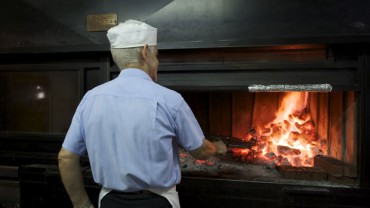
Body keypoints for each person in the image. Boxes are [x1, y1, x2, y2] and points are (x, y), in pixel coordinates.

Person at [58, 19, 227, 208]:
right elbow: (200, 151)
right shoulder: (170, 100)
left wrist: (82, 204)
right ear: (146, 52)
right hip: (158, 202)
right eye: (157, 54)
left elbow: (66, 157)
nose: (158, 61)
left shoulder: (91, 99)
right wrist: (218, 148)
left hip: (109, 202)